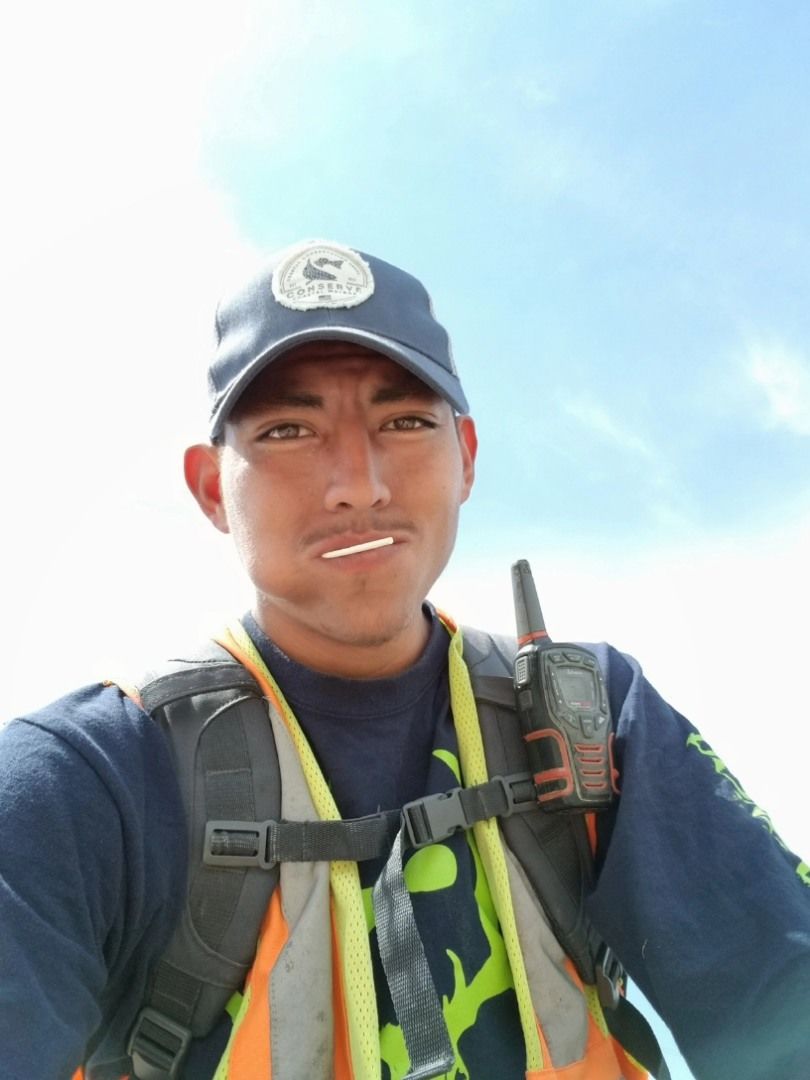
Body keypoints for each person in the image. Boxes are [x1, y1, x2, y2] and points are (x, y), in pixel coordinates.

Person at [1, 239, 808, 1080]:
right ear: (210, 488)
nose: (358, 483)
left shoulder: (595, 712)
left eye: (405, 422)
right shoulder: (84, 779)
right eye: (288, 430)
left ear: (467, 457)